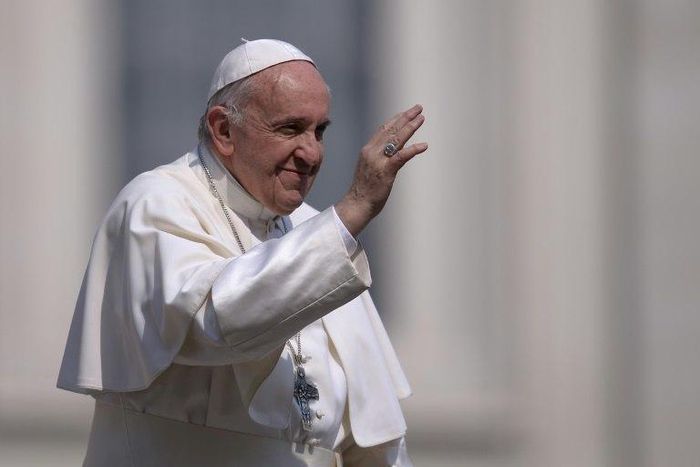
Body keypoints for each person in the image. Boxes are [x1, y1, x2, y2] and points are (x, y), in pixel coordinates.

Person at [57, 38, 427, 466]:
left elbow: (376, 437)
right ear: (224, 130)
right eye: (290, 128)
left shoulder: (316, 229)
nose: (312, 153)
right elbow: (214, 321)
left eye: (319, 131)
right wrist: (352, 211)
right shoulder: (156, 203)